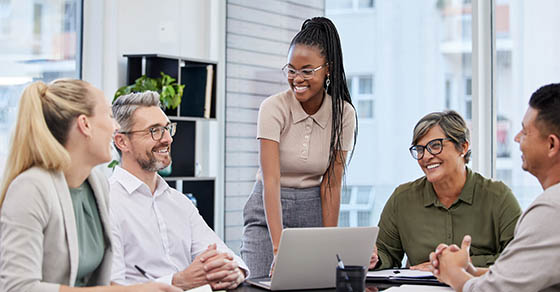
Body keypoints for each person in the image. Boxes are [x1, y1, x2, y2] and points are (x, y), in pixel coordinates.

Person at [0, 80, 180, 292]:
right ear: (85, 124)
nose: (115, 128)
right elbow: (17, 288)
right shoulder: (31, 189)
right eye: (110, 116)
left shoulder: (96, 186)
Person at [240, 16, 357, 279]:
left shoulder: (343, 114)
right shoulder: (273, 108)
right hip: (267, 212)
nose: (297, 79)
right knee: (260, 283)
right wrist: (279, 249)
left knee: (315, 284)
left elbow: (332, 184)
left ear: (328, 69)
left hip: (312, 210)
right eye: (291, 70)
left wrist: (330, 247)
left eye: (307, 70)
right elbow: (271, 181)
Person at [110, 91, 248, 290]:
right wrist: (177, 282)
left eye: (167, 129)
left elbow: (222, 254)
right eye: (154, 131)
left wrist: (235, 271)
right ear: (122, 141)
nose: (167, 139)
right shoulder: (107, 202)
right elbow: (110, 286)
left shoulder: (179, 202)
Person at [430, 83, 560, 291]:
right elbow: (520, 274)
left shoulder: (551, 209)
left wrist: (452, 273)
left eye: (525, 132)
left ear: (551, 145)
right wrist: (470, 271)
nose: (517, 138)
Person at [369, 110, 521, 271]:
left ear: (463, 147)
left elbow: (520, 258)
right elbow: (386, 253)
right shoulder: (402, 199)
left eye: (435, 146)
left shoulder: (498, 196)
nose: (426, 156)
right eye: (420, 149)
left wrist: (455, 264)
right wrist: (375, 260)